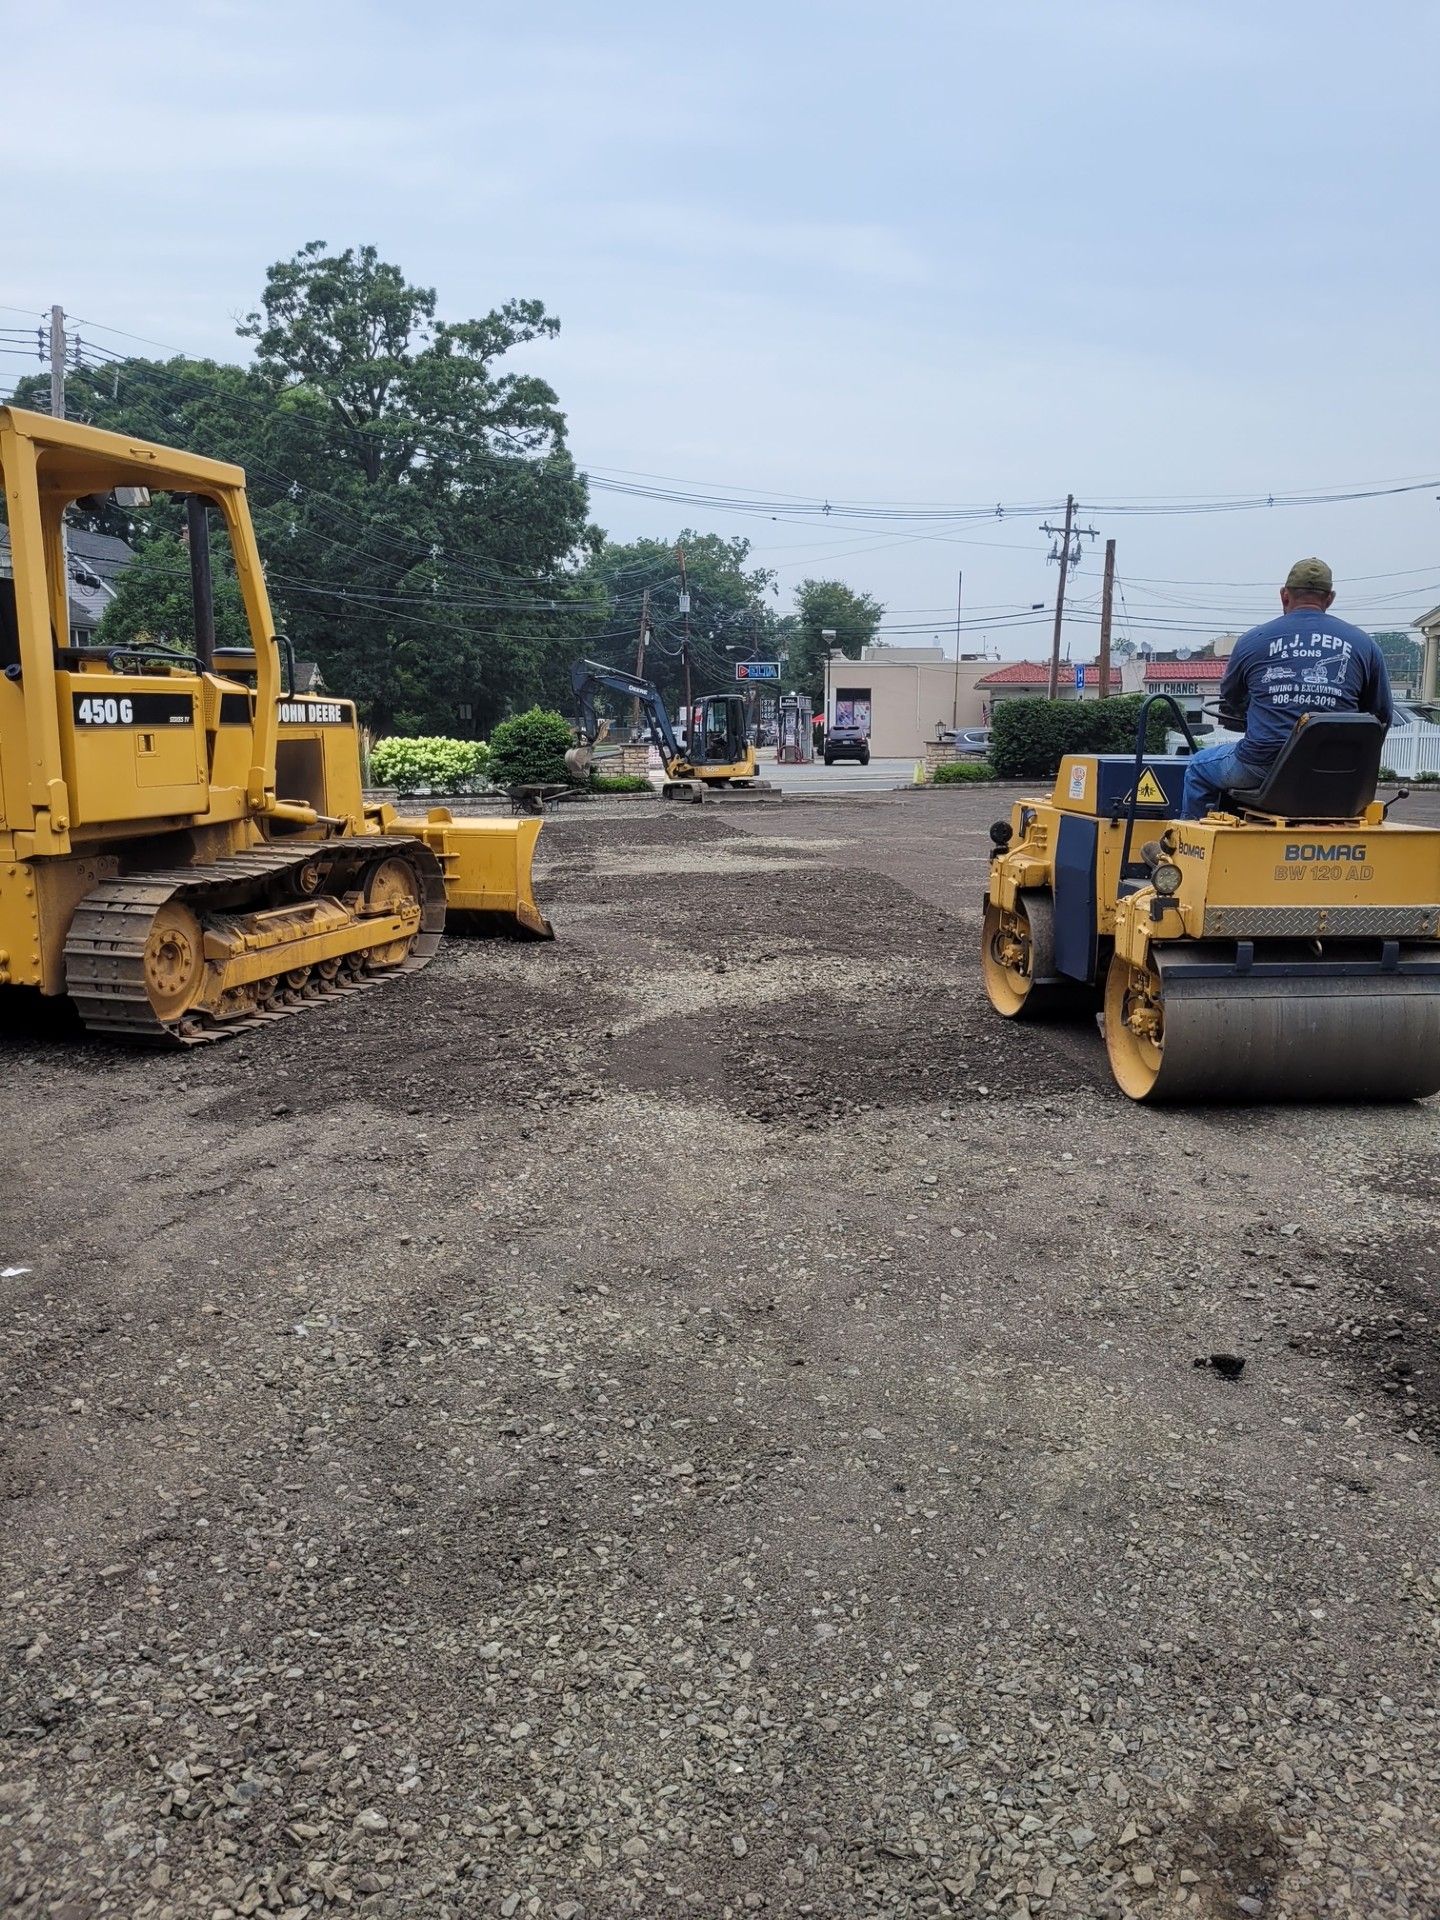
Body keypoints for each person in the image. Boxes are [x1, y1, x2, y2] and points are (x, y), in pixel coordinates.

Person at [1180, 557, 1392, 819]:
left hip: (1260, 766)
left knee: (1198, 767)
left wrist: (1253, 716)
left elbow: (1232, 698)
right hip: (1335, 771)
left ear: (1284, 595)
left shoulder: (1252, 641)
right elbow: (1380, 715)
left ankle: (1188, 852)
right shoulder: (1364, 645)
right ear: (1330, 598)